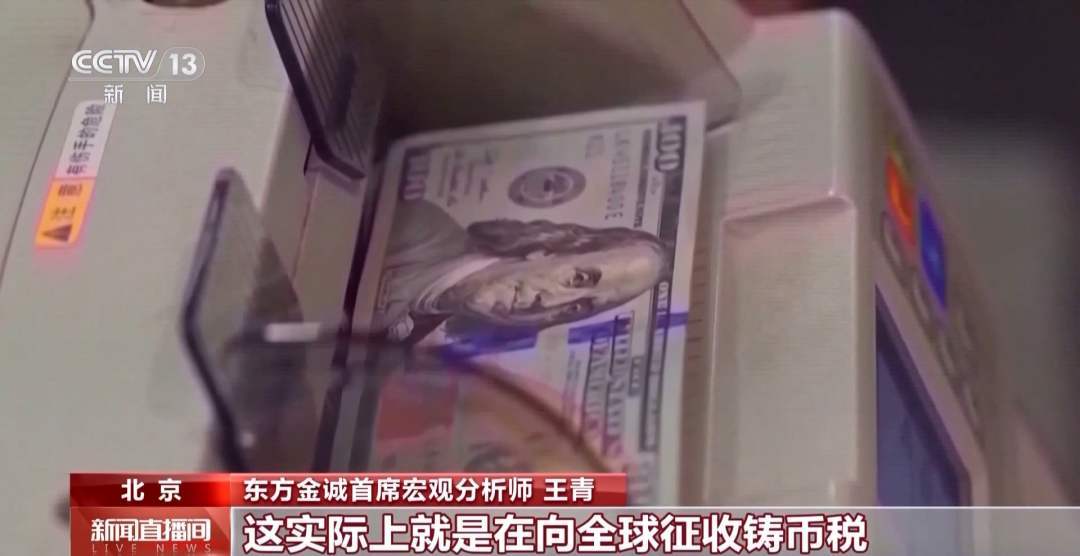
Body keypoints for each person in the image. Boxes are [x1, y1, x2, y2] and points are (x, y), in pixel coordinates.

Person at [372, 200, 671, 342]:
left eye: (579, 307)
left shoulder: (404, 352)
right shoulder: (416, 231)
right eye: (577, 278)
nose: (549, 302)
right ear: (546, 249)